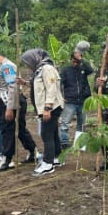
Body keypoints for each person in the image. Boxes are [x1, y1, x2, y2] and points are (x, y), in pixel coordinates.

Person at [0, 46, 38, 169]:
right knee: (19, 129)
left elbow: (12, 87)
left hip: (11, 102)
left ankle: (7, 160)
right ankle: (33, 152)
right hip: (10, 100)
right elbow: (1, 86)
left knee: (7, 130)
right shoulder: (2, 67)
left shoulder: (6, 67)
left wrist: (9, 108)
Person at [20, 48, 64, 176]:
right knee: (53, 133)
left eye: (28, 62)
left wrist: (47, 108)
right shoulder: (40, 70)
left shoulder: (47, 69)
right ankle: (57, 157)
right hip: (47, 107)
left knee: (46, 134)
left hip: (51, 107)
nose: (27, 65)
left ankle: (48, 164)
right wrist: (24, 83)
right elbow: (39, 86)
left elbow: (51, 88)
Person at [59, 47, 93, 148]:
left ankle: (79, 143)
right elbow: (59, 83)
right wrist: (61, 96)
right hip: (70, 100)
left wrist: (81, 60)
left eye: (77, 61)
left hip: (83, 100)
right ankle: (64, 143)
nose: (75, 63)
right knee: (65, 122)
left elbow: (91, 70)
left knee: (81, 123)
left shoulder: (83, 69)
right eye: (74, 61)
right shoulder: (66, 70)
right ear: (70, 60)